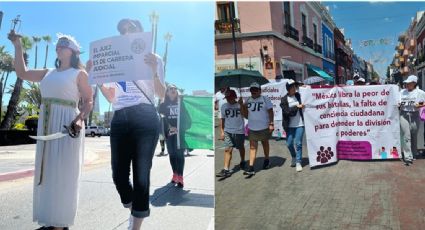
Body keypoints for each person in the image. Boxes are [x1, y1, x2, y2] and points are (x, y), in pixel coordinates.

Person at [9, 31, 93, 230]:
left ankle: (60, 222)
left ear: (72, 52)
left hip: (67, 124)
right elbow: (22, 73)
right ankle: (50, 216)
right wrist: (18, 45)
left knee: (64, 171)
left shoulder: (80, 74)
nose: (58, 47)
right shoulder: (48, 72)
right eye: (58, 45)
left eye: (63, 45)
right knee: (47, 171)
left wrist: (80, 120)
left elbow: (89, 101)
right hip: (46, 122)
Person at [91, 18, 165, 229]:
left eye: (131, 29)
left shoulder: (154, 58)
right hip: (120, 117)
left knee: (142, 175)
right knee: (118, 175)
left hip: (145, 115)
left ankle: (136, 223)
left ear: (140, 32)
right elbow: (112, 97)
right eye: (122, 31)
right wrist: (98, 79)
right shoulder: (115, 60)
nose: (126, 33)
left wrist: (152, 70)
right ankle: (134, 206)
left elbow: (160, 93)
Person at [240, 82, 274, 176]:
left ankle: (267, 159)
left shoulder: (265, 99)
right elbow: (246, 116)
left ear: (260, 90)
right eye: (252, 90)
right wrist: (242, 106)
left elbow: (271, 112)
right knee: (252, 147)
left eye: (255, 89)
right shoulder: (247, 100)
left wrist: (271, 123)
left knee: (265, 143)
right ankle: (251, 167)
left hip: (264, 127)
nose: (253, 91)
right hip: (252, 128)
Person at [159, 84, 185, 187]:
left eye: (175, 88)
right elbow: (162, 117)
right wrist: (170, 127)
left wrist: (180, 128)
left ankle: (180, 177)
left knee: (179, 154)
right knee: (172, 154)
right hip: (169, 133)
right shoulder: (163, 104)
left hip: (180, 133)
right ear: (167, 92)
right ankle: (175, 174)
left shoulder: (181, 102)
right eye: (170, 89)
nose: (173, 90)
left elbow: (187, 117)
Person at [216, 90, 246, 177]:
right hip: (228, 131)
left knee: (241, 148)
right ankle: (226, 169)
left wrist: (242, 106)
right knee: (227, 149)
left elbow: (246, 115)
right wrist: (222, 131)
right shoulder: (224, 106)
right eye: (227, 98)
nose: (228, 99)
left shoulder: (239, 105)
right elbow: (223, 119)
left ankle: (243, 160)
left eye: (230, 97)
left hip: (239, 131)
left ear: (235, 97)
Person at [399, 75, 425, 166]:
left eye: (409, 83)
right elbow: (398, 102)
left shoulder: (420, 92)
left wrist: (418, 105)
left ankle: (414, 153)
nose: (407, 84)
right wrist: (399, 104)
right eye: (406, 83)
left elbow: (424, 102)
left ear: (414, 83)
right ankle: (408, 157)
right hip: (404, 115)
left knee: (414, 135)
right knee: (406, 136)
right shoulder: (402, 92)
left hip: (415, 115)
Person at [280, 79, 305, 172]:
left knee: (298, 143)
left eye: (295, 87)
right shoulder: (284, 99)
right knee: (289, 143)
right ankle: (294, 156)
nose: (294, 88)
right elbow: (287, 112)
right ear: (288, 89)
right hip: (289, 126)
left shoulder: (298, 96)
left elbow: (307, 95)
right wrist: (297, 107)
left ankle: (298, 162)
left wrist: (305, 88)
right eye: (292, 87)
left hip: (300, 124)